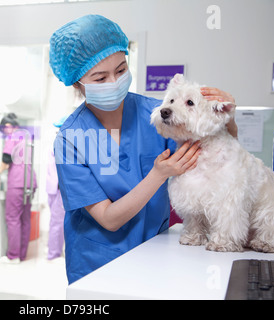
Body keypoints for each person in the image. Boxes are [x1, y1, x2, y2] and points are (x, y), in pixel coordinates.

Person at [49, 14, 237, 283]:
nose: (114, 82)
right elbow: (108, 219)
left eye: (121, 70)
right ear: (77, 82)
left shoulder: (159, 114)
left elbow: (217, 150)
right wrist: (157, 175)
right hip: (97, 261)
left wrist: (228, 116)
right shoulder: (70, 139)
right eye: (100, 78)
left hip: (156, 251)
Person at [0, 113, 37, 264]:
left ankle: (13, 256)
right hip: (30, 181)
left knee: (13, 218)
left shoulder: (12, 137)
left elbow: (6, 160)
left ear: (8, 126)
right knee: (25, 219)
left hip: (17, 182)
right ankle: (22, 254)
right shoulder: (26, 137)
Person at [46, 117, 68, 261]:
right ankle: (54, 253)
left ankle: (54, 253)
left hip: (57, 189)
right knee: (57, 222)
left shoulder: (63, 144)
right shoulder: (61, 144)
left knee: (56, 222)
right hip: (56, 188)